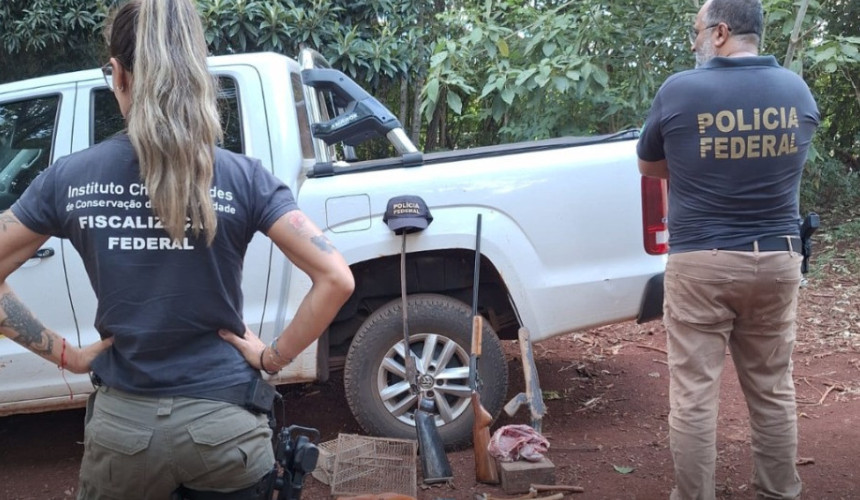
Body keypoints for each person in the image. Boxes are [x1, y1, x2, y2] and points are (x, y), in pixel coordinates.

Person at [0, 0, 354, 498]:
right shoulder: (244, 177)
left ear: (118, 75)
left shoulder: (70, 179)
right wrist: (273, 358)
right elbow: (337, 277)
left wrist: (69, 356)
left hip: (124, 439)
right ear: (196, 74)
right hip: (227, 431)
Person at [636, 0, 819, 498]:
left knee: (694, 397)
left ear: (719, 33)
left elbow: (650, 167)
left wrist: (700, 168)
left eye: (696, 30)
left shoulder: (682, 90)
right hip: (778, 260)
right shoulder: (795, 90)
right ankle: (780, 492)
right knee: (773, 390)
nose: (693, 41)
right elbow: (790, 162)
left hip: (702, 262)